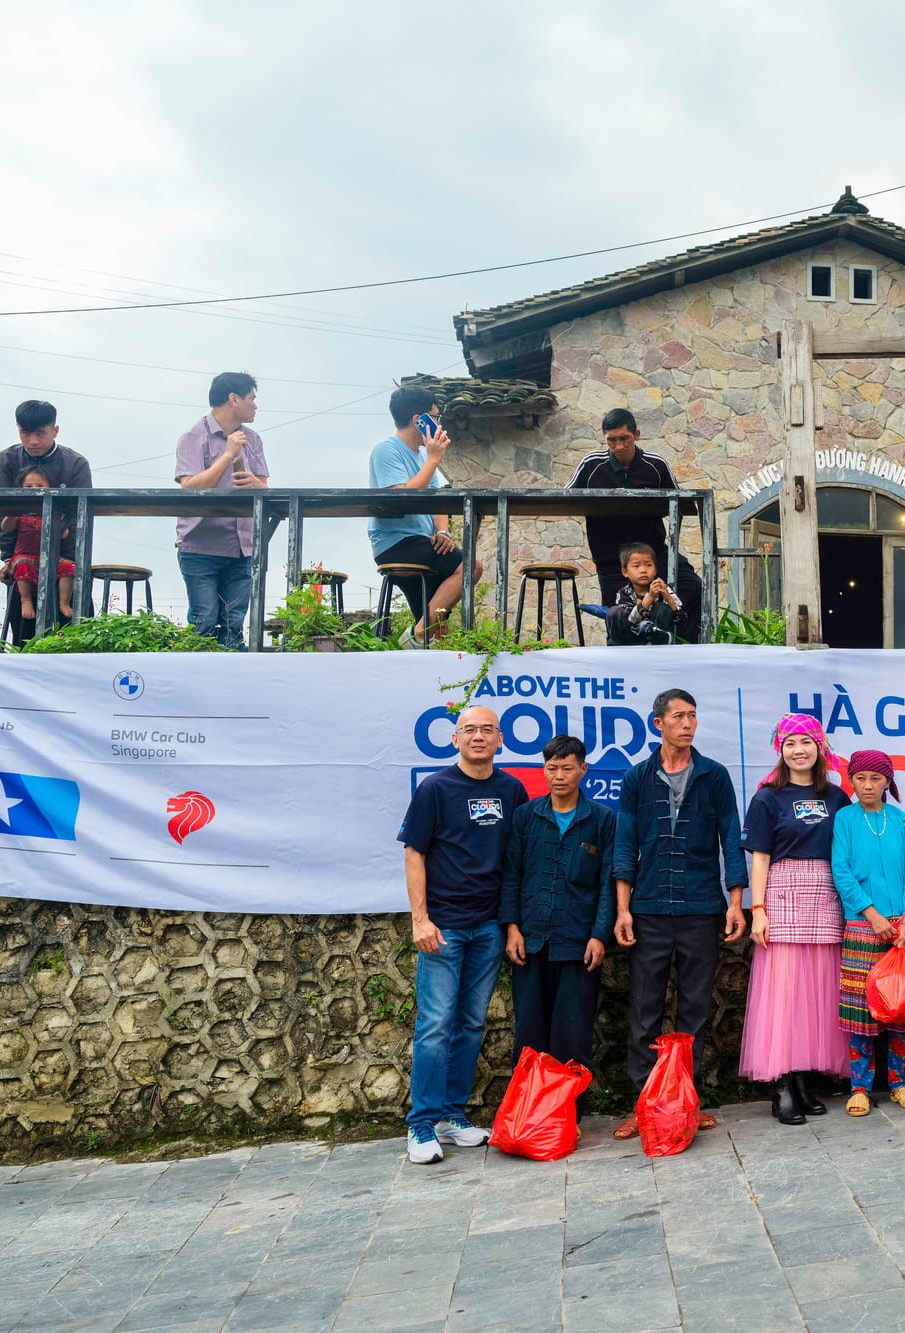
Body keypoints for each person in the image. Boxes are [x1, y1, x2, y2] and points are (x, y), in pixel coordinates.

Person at [610, 688, 746, 1139]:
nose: (688, 724)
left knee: (694, 1012)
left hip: (701, 908)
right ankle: (644, 1105)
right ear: (658, 724)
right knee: (644, 1011)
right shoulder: (637, 777)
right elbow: (625, 845)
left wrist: (736, 902)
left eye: (693, 716)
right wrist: (623, 910)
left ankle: (687, 1103)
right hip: (648, 909)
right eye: (679, 717)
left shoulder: (714, 776)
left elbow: (731, 840)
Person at [396, 705, 527, 1164]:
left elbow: (516, 859)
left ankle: (451, 1116)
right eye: (469, 729)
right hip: (444, 927)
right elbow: (414, 853)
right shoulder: (435, 789)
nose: (478, 736)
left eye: (487, 730)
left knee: (471, 1022)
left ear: (501, 739)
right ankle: (420, 1123)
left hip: (489, 926)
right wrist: (420, 919)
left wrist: (511, 923)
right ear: (455, 739)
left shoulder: (512, 790)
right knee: (435, 1025)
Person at [742, 714, 849, 1124]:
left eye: (806, 742)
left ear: (820, 747)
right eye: (790, 743)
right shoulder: (767, 797)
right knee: (784, 996)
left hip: (826, 896)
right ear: (780, 749)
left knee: (817, 994)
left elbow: (858, 837)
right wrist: (758, 910)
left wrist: (904, 825)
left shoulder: (836, 797)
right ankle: (782, 1085)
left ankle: (804, 1081)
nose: (798, 750)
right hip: (782, 895)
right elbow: (760, 858)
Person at [500, 735, 615, 1095]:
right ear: (544, 770)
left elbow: (608, 882)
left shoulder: (601, 820)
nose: (559, 776)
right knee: (529, 1033)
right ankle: (528, 1109)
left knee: (573, 1034)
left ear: (583, 769)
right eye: (552, 768)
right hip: (531, 941)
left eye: (567, 768)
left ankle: (567, 1112)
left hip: (579, 944)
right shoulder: (526, 816)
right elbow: (511, 874)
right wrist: (512, 928)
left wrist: (599, 935)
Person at [831, 750, 905, 1115]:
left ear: (888, 781)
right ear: (851, 781)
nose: (868, 785)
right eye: (861, 778)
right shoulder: (845, 819)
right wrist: (872, 915)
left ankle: (899, 1083)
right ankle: (859, 1087)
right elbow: (841, 871)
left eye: (876, 778)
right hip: (864, 925)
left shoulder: (901, 820)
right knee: (862, 1011)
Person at [569, 408, 703, 641]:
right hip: (611, 559)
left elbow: (680, 504)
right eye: (612, 440)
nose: (619, 446)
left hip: (653, 554)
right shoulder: (591, 464)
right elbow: (564, 498)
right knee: (617, 616)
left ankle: (680, 646)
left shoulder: (656, 465)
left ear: (637, 435)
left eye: (624, 438)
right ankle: (623, 660)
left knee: (693, 587)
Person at [368, 384, 479, 645]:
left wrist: (442, 532)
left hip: (422, 542)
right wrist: (434, 459)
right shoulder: (387, 450)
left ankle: (420, 634)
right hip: (396, 542)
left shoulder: (421, 456)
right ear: (419, 420)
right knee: (471, 567)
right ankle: (419, 632)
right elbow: (401, 497)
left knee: (438, 627)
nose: (440, 424)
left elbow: (437, 500)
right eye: (436, 418)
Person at [174, 372, 269, 650]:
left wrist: (256, 485)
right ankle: (198, 674)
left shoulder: (253, 439)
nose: (255, 405)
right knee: (204, 621)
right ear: (234, 399)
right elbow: (189, 488)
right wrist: (228, 455)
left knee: (233, 624)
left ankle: (232, 676)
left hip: (244, 547)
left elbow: (264, 486)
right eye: (252, 398)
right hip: (201, 545)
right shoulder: (193, 436)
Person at [0, 400, 91, 629]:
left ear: (55, 430)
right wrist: (9, 559)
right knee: (24, 630)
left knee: (74, 629)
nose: (33, 441)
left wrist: (71, 561)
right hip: (22, 560)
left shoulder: (76, 464)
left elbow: (80, 516)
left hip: (66, 560)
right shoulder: (4, 461)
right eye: (25, 433)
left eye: (41, 433)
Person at [0, 465, 76, 622]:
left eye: (40, 486)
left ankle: (64, 603)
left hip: (50, 557)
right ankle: (25, 600)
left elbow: (64, 535)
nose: (34, 489)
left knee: (68, 567)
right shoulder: (21, 511)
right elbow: (6, 528)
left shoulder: (55, 511)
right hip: (24, 556)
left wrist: (55, 521)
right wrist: (11, 514)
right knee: (23, 566)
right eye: (28, 487)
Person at [606, 542, 681, 646]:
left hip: (657, 640)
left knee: (662, 608)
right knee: (614, 612)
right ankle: (617, 649)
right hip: (630, 639)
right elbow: (631, 620)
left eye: (649, 565)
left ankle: (658, 647)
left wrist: (668, 598)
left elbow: (681, 618)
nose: (643, 570)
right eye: (636, 566)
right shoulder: (624, 592)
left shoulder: (662, 588)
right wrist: (650, 597)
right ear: (625, 572)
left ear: (655, 569)